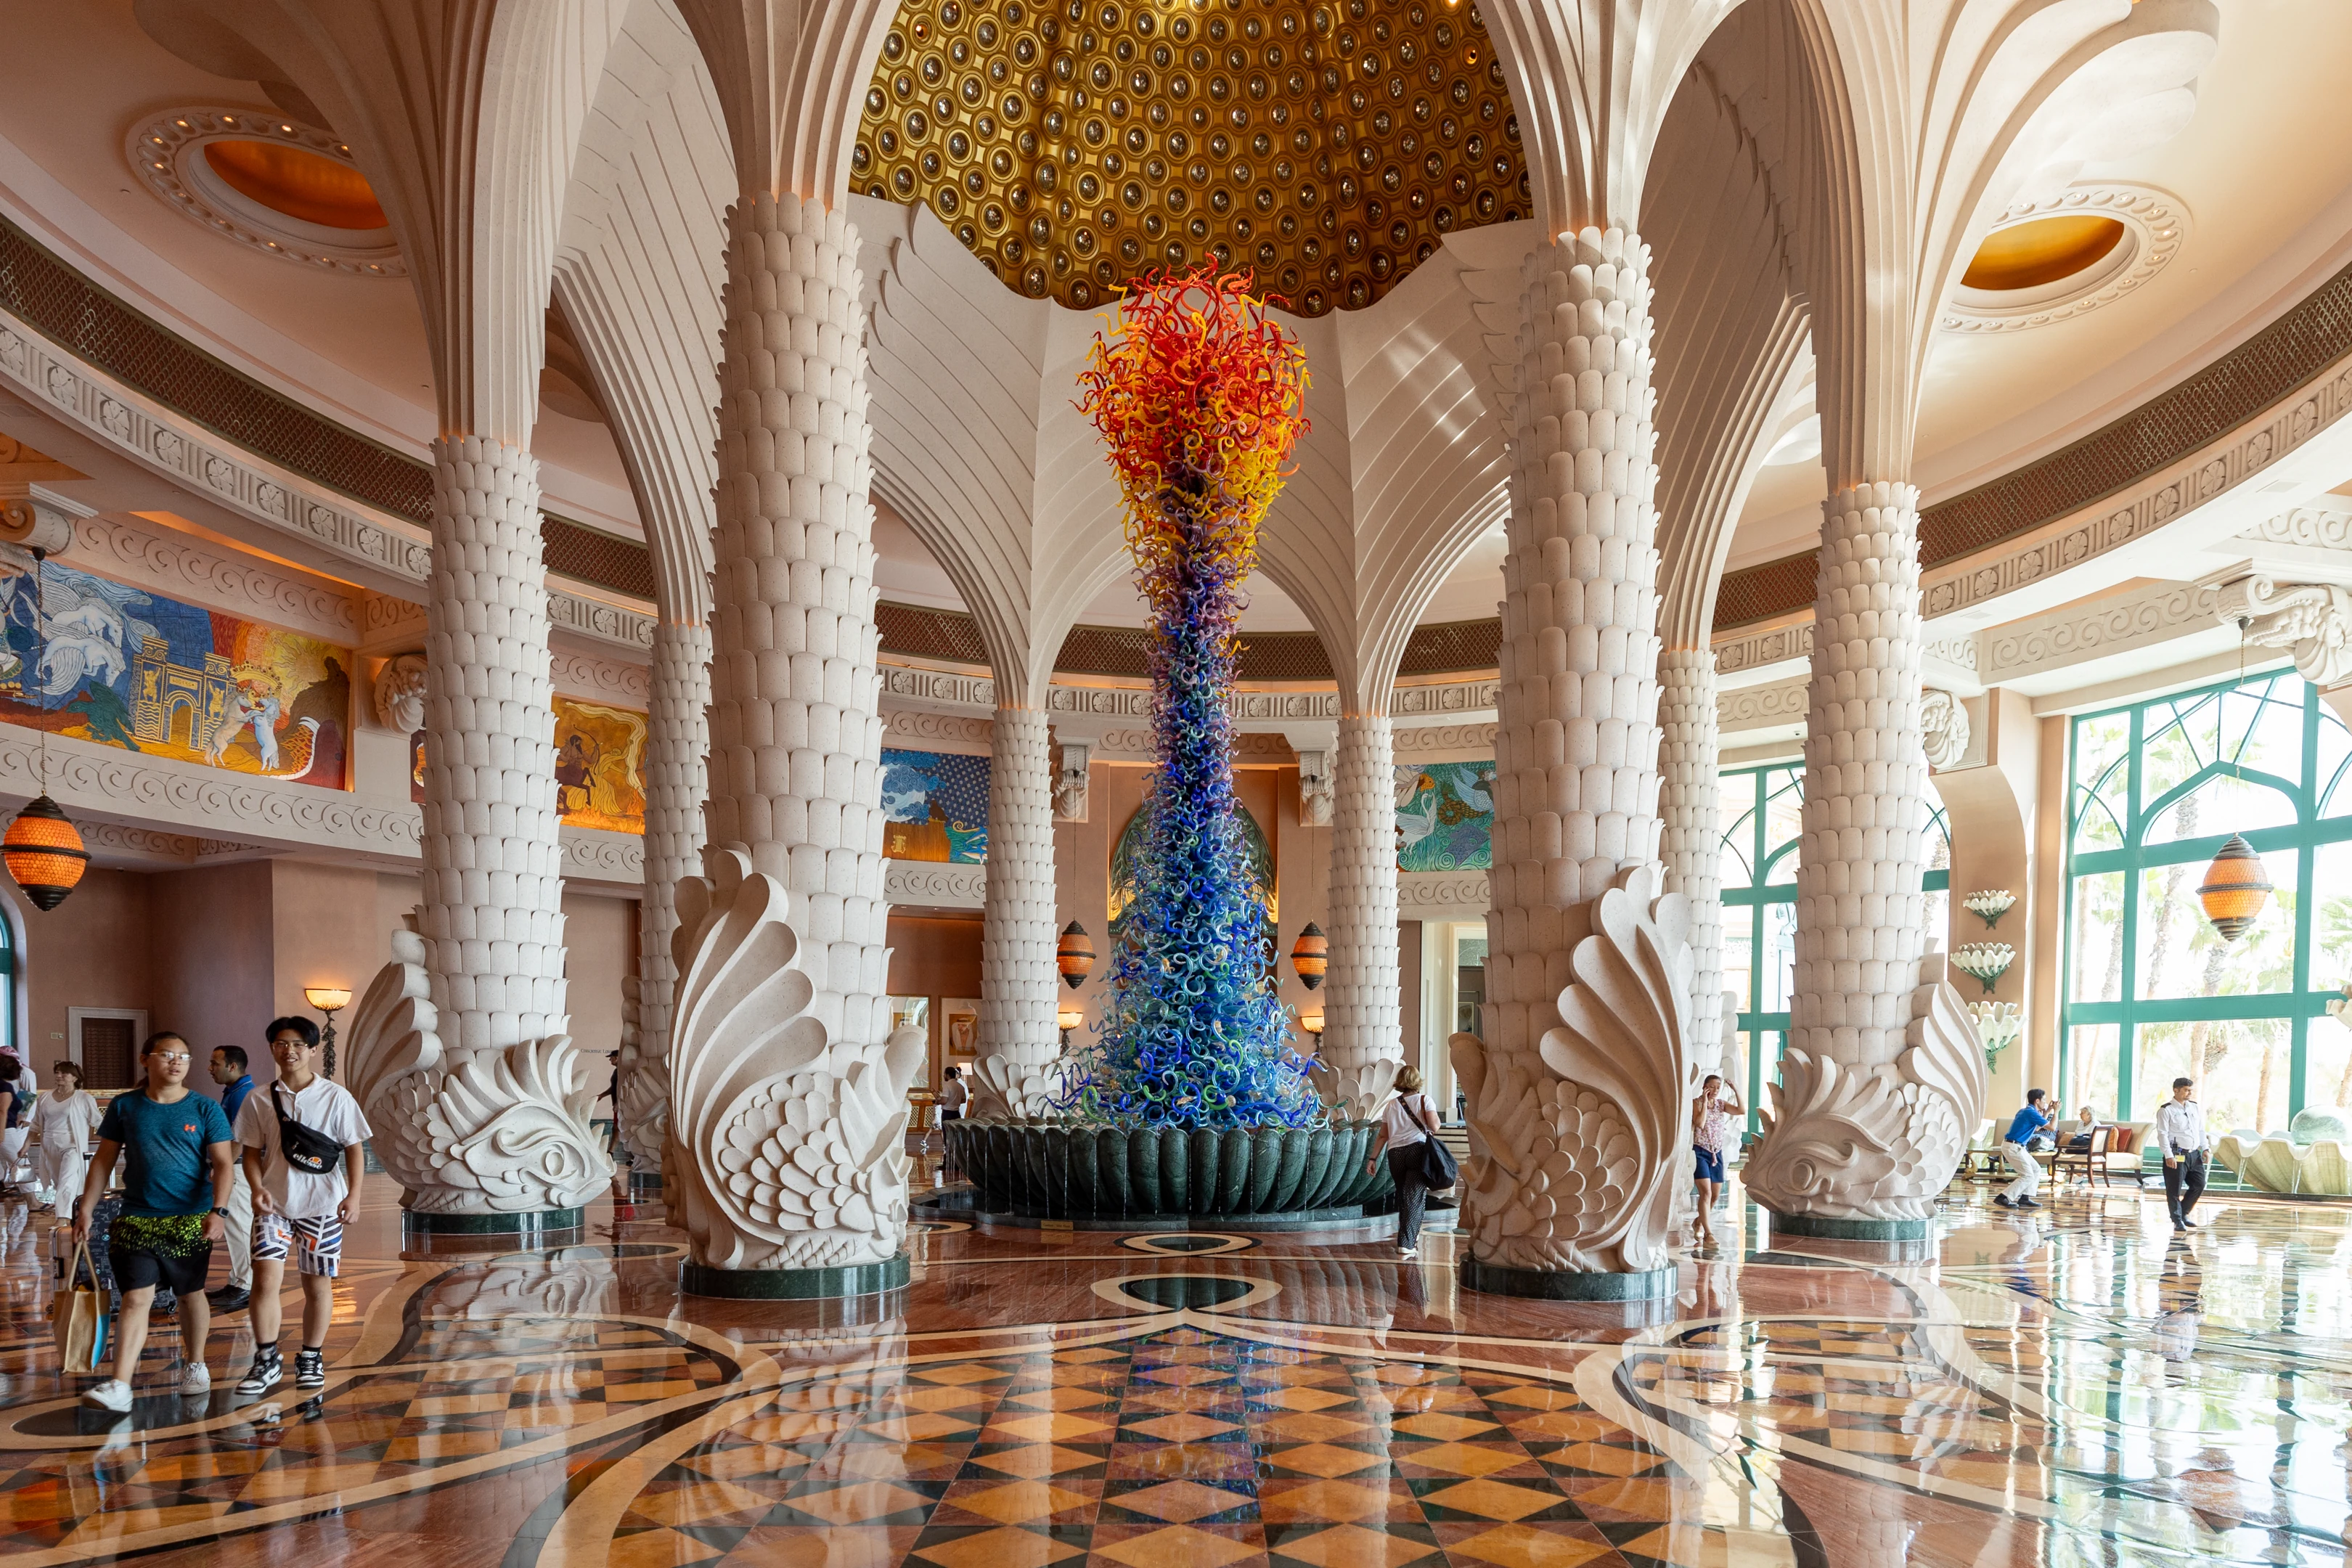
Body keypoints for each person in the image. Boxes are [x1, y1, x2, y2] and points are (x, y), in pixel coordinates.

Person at [70, 1031, 235, 1411]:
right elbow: (104, 1160)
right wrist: (86, 1209)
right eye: (166, 1055)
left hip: (188, 1220)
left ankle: (195, 1364)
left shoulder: (205, 1108)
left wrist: (219, 1210)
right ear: (146, 1060)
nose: (176, 1062)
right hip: (136, 1217)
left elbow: (224, 1164)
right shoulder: (126, 1107)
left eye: (183, 1056)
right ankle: (120, 1385)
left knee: (190, 1293)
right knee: (135, 1298)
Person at [234, 1016, 370, 1397]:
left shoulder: (335, 1097)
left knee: (318, 1285)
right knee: (264, 1280)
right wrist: (257, 1187)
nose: (289, 1051)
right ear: (272, 1048)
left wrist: (354, 1196)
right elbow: (249, 1152)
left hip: (323, 1206)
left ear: (313, 1050)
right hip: (273, 1205)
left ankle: (311, 1356)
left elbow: (354, 1148)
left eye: (297, 1045)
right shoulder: (260, 1097)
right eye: (280, 1043)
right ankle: (266, 1359)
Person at [1365, 1064, 1441, 1261]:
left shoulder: (1391, 1105)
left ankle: (1409, 1239)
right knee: (1414, 1197)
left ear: (1400, 1081)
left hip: (1395, 1154)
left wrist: (1372, 1159)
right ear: (1417, 1081)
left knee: (1405, 1197)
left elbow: (1383, 1135)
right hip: (1417, 1151)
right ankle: (1406, 1244)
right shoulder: (1425, 1100)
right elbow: (1435, 1127)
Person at [205, 1045, 257, 1313]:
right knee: (236, 1226)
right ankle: (237, 1280)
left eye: (215, 1064)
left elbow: (240, 1137)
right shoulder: (235, 1092)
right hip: (233, 1167)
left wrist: (222, 1166)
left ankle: (247, 1284)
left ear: (233, 1067)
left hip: (236, 1169)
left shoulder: (242, 1095)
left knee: (239, 1224)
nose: (210, 1068)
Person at [30, 1061, 98, 1213]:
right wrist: (25, 1146)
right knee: (59, 1181)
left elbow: (96, 1121)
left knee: (67, 1181)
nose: (59, 1076)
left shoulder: (84, 1098)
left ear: (75, 1077)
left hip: (72, 1145)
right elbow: (36, 1123)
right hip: (49, 1146)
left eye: (64, 1073)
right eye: (57, 1072)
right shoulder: (45, 1097)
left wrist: (85, 1138)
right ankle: (74, 1212)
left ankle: (63, 1218)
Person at [1691, 1072, 1744, 1248]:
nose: (1715, 1090)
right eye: (1712, 1087)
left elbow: (1741, 1111)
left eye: (1718, 1088)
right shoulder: (1696, 1103)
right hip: (1700, 1152)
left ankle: (1699, 1221)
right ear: (1705, 1087)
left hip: (1717, 1153)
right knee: (1705, 1194)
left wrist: (1736, 1089)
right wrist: (1705, 1103)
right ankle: (1708, 1233)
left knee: (1715, 1196)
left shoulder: (1721, 1105)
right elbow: (1699, 1123)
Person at [2154, 1075, 2210, 1232]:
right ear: (2176, 1090)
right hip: (2176, 1154)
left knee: (2199, 1184)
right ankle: (2177, 1220)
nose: (2189, 1093)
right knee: (2174, 1189)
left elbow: (2200, 1130)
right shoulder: (2166, 1110)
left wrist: (2205, 1148)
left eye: (2190, 1090)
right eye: (2186, 1090)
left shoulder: (2194, 1107)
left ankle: (2184, 1213)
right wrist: (2168, 1155)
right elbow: (2162, 1134)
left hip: (2194, 1154)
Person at [1995, 1089, 2051, 1211]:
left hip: (2016, 1146)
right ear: (2037, 1101)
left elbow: (2036, 1128)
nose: (2045, 1103)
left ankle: (2025, 1198)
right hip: (2014, 1147)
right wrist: (2056, 1112)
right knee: (2027, 1175)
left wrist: (2048, 1111)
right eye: (2044, 1100)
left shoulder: (2026, 1111)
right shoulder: (2031, 1113)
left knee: (2036, 1169)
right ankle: (2004, 1197)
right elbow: (2052, 1127)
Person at [0, 1049, 27, 1196]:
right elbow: (2, 1110)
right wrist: (2, 1133)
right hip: (6, 1129)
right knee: (21, 1163)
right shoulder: (5, 1086)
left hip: (5, 1128)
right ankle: (32, 1200)